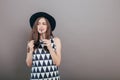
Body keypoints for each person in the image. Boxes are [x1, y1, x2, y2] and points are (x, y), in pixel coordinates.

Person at [26, 12, 62, 80]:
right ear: (35, 27)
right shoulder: (31, 42)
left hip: (53, 77)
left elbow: (57, 63)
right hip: (36, 78)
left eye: (44, 24)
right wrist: (30, 50)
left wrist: (50, 48)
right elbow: (29, 64)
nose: (41, 26)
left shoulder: (56, 41)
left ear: (48, 26)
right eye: (38, 24)